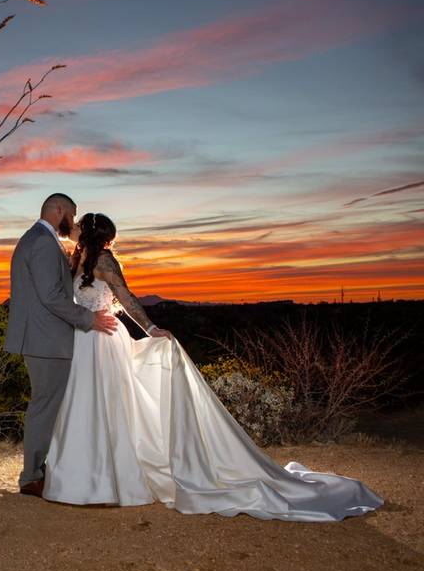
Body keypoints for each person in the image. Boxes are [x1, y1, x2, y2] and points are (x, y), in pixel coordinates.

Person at [40, 213, 383, 521]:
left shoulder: (104, 260)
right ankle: (78, 479)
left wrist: (152, 329)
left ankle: (105, 481)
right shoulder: (78, 259)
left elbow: (127, 300)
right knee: (80, 407)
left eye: (80, 224)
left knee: (105, 408)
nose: (75, 227)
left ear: (89, 233)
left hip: (103, 343)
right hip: (82, 340)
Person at [4, 194, 119, 497]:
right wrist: (88, 319)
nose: (74, 222)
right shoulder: (42, 242)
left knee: (49, 405)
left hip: (44, 337)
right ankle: (31, 477)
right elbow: (51, 296)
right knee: (45, 407)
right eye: (73, 214)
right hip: (45, 339)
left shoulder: (39, 238)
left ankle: (43, 469)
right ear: (59, 210)